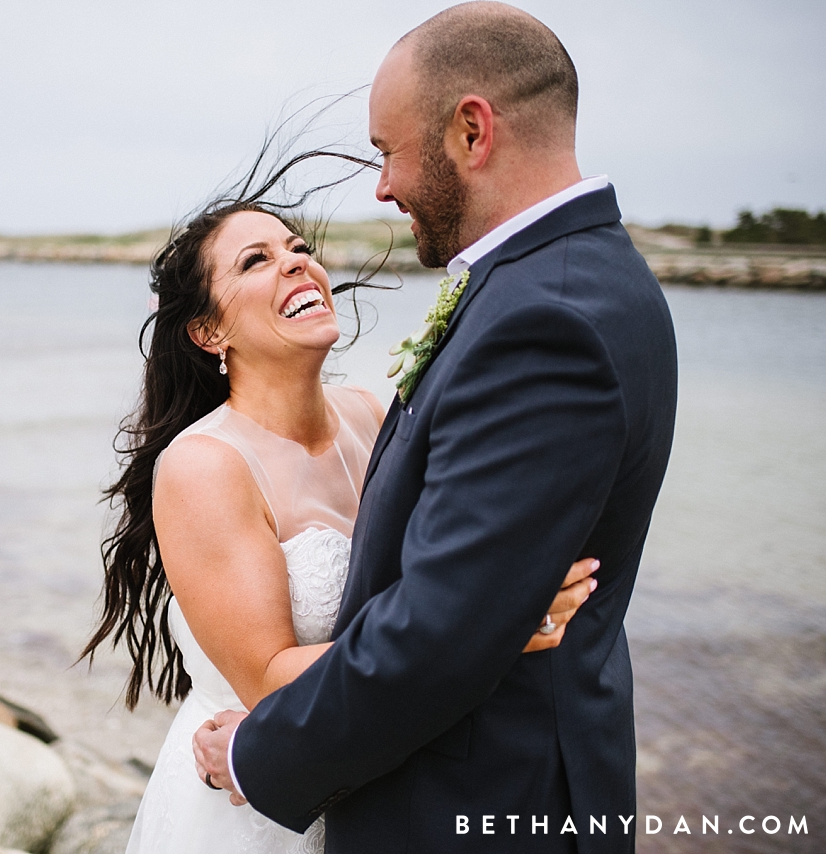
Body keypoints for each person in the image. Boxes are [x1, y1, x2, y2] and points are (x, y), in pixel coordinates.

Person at [192, 4, 678, 854]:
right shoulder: (577, 280)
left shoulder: (543, 318)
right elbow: (462, 597)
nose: (383, 186)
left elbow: (440, 632)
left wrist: (255, 750)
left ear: (471, 131)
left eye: (388, 151)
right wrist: (500, 612)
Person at [81, 190, 599, 854]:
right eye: (256, 261)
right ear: (209, 332)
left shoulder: (368, 412)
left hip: (372, 785)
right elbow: (269, 680)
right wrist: (490, 627)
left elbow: (425, 582)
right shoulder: (205, 467)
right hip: (255, 806)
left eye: (299, 249)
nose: (297, 264)